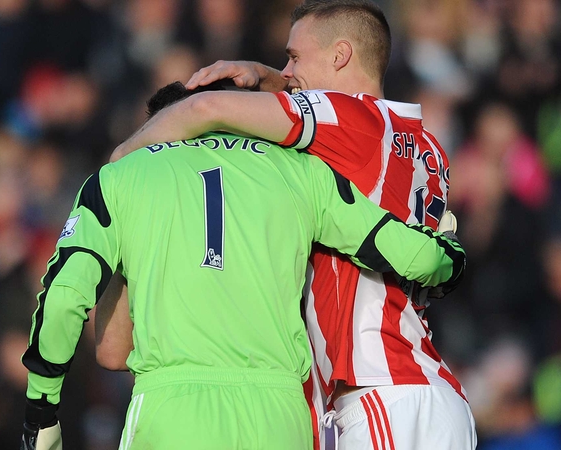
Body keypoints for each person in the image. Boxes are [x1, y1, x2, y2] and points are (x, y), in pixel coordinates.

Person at [109, 1, 477, 449]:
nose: (286, 70)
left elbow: (204, 109)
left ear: (340, 55)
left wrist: (117, 169)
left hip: (380, 390)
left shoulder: (350, 121)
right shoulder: (424, 145)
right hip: (427, 391)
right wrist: (266, 78)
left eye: (295, 57)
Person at [21, 81, 465, 450]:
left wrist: (42, 409)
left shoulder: (121, 178)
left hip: (174, 410)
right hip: (280, 417)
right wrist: (451, 260)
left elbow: (65, 299)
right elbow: (413, 254)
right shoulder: (300, 172)